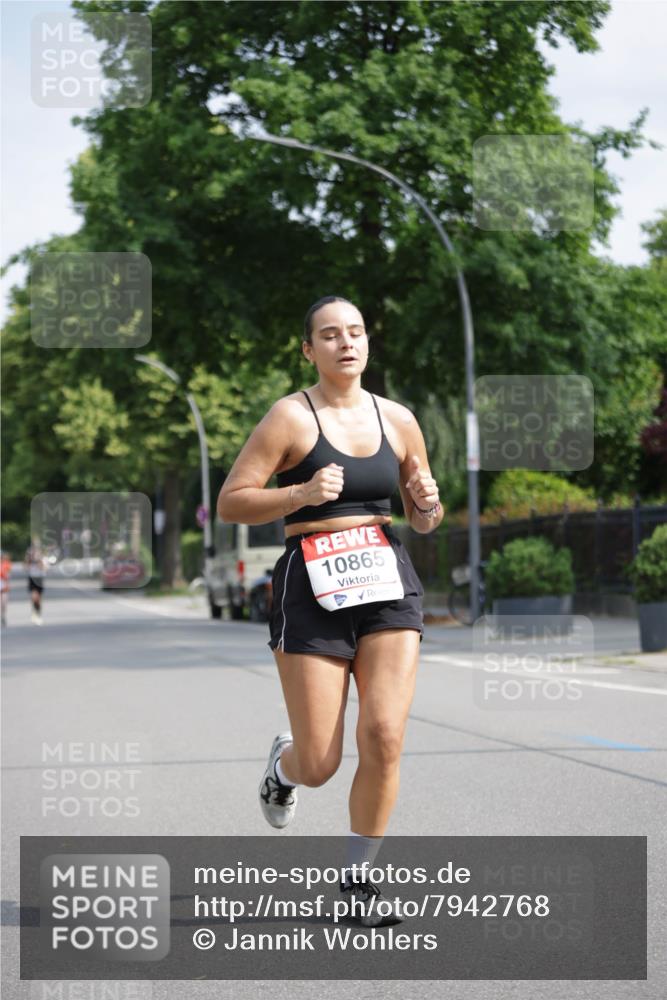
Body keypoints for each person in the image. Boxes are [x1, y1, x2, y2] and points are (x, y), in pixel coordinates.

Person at [217, 296, 443, 926]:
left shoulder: (398, 419)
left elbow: (424, 519)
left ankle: (359, 880)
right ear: (308, 349)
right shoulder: (289, 417)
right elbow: (233, 501)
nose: (347, 343)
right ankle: (282, 768)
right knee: (320, 762)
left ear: (368, 343)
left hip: (384, 575)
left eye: (356, 332)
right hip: (310, 581)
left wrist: (426, 503)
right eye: (330, 334)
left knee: (385, 735)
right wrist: (301, 492)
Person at [24, 541, 46, 625]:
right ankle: (34, 613)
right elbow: (25, 568)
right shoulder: (29, 557)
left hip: (39, 579)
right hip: (32, 578)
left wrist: (38, 561)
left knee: (38, 599)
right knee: (34, 597)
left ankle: (38, 613)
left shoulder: (41, 557)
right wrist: (29, 560)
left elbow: (43, 568)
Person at [0, 550, 11, 626]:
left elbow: (8, 575)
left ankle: (3, 616)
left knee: (4, 602)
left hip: (4, 586)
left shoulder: (6, 564)